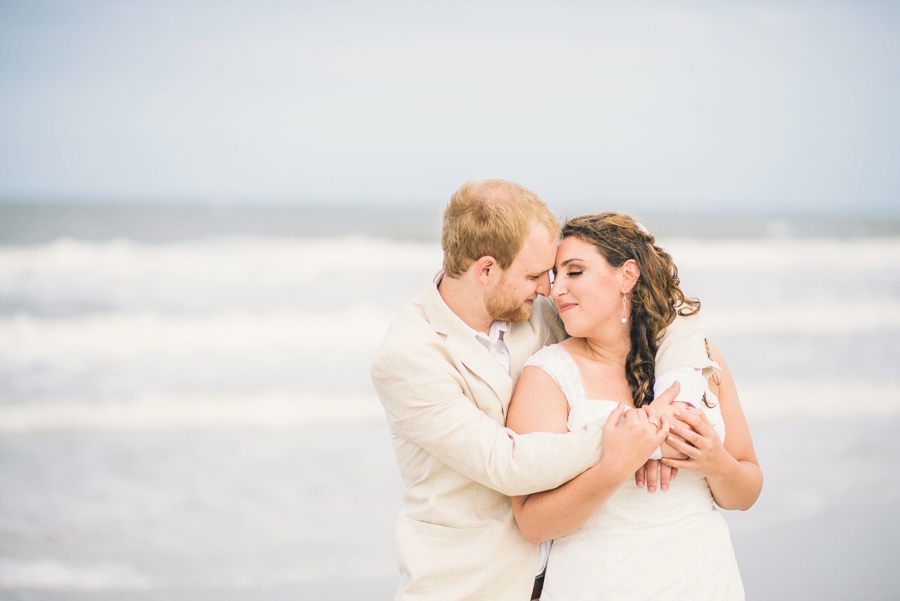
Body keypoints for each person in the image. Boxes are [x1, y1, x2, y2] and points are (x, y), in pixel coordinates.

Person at [371, 180, 716, 601]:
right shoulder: (407, 355)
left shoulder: (534, 313)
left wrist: (675, 394)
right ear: (486, 270)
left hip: (566, 579)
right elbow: (506, 463)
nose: (547, 288)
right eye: (535, 275)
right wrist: (630, 435)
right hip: (469, 587)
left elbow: (671, 314)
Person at [507, 212, 763, 600]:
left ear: (627, 275)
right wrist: (614, 466)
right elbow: (532, 523)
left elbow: (746, 491)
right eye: (555, 277)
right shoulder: (548, 376)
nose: (556, 290)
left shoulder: (703, 360)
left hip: (706, 581)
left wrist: (716, 462)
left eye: (574, 272)